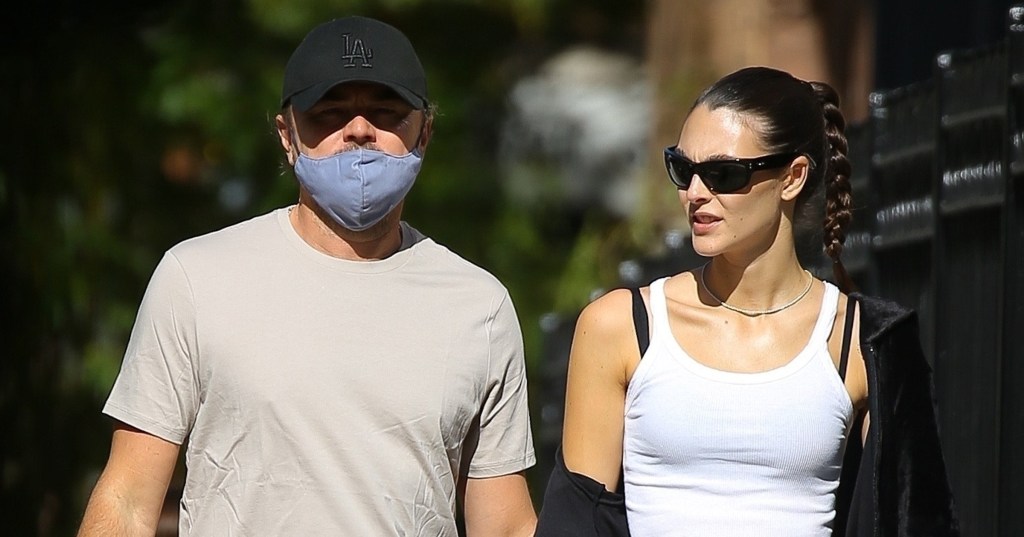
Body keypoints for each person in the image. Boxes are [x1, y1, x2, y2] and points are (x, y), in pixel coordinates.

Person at [77, 15, 537, 537]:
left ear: (424, 133)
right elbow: (129, 501)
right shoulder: (198, 279)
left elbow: (504, 525)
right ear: (287, 135)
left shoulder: (479, 306)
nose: (359, 129)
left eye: (386, 112)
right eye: (329, 112)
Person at [535, 66, 959, 536]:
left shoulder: (864, 340)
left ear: (793, 177)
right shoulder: (621, 325)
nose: (695, 193)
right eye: (683, 169)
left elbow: (913, 518)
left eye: (723, 173)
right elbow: (574, 521)